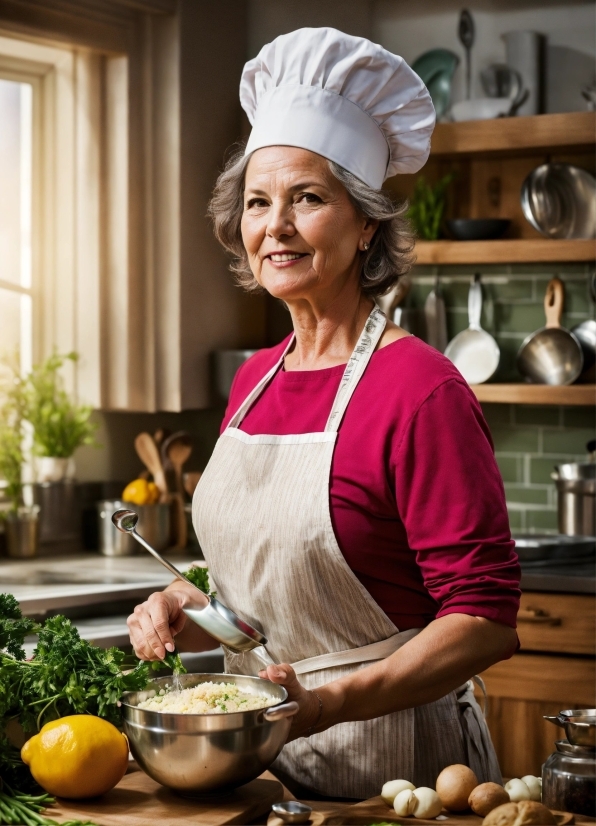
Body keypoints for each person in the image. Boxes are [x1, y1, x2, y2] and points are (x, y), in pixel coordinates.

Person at [127, 27, 521, 799]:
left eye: (308, 198)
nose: (276, 225)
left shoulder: (420, 390)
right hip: (264, 767)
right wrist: (186, 602)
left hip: (399, 773)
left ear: (366, 222)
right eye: (258, 202)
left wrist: (324, 705)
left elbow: (484, 618)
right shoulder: (254, 382)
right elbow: (274, 596)